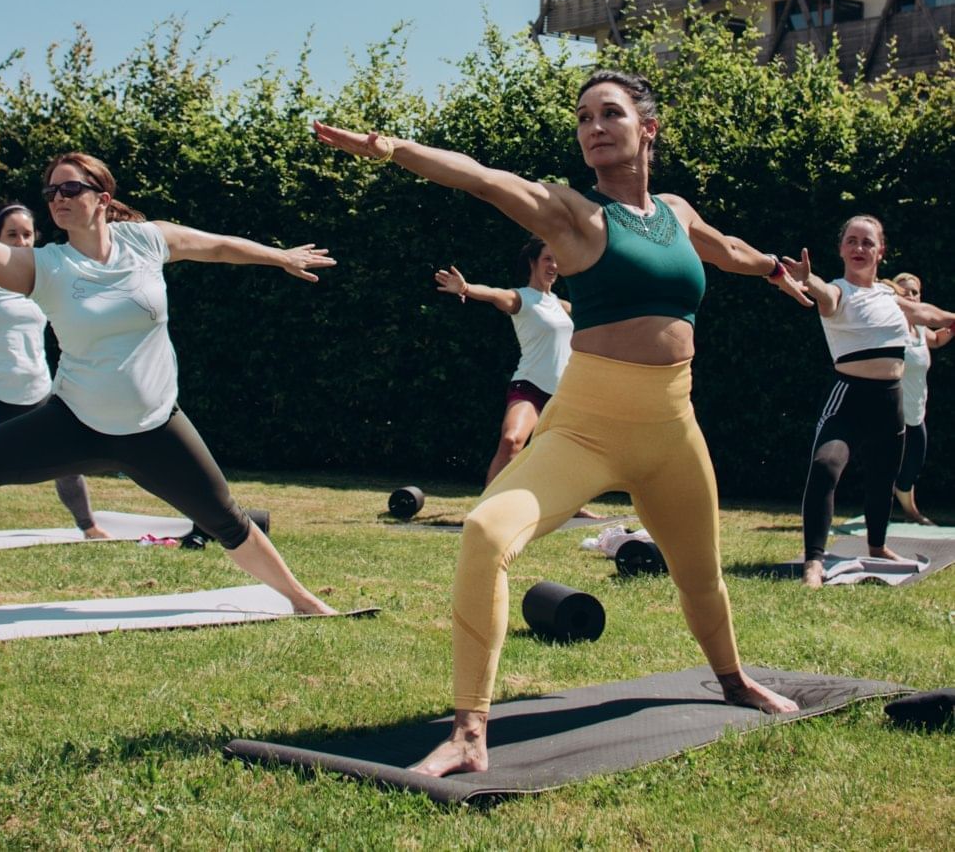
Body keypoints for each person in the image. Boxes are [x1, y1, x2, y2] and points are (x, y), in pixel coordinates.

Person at [315, 68, 811, 778]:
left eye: (609, 113)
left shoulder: (673, 210)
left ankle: (734, 680)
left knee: (701, 577)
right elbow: (484, 179)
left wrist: (771, 269)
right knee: (486, 533)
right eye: (583, 117)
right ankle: (469, 728)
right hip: (586, 427)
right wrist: (394, 148)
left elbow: (721, 247)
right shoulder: (574, 216)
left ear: (649, 128)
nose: (593, 127)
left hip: (672, 430)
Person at [0, 153, 337, 614]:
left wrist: (279, 257)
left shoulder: (146, 241)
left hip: (155, 427)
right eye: (50, 192)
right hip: (74, 422)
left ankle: (302, 600)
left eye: (70, 189)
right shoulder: (44, 266)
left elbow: (218, 246)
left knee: (226, 519)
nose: (58, 199)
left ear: (102, 198)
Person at [782, 218, 955, 588]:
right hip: (849, 399)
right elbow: (824, 297)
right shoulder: (838, 291)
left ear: (880, 251)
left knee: (882, 479)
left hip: (889, 402)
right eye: (852, 241)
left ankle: (877, 547)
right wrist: (808, 280)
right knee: (825, 466)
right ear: (842, 248)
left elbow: (928, 315)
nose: (859, 248)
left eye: (867, 243)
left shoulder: (891, 299)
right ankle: (814, 560)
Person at [435, 241, 599, 520]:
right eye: (548, 259)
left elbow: (599, 317)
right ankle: (485, 508)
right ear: (532, 263)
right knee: (512, 440)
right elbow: (495, 294)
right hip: (530, 386)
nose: (554, 266)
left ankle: (573, 506)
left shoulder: (562, 305)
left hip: (564, 393)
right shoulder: (521, 298)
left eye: (557, 260)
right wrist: (465, 288)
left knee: (570, 453)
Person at [0, 204, 105, 536]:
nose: (20, 241)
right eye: (11, 234)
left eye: (27, 234)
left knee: (68, 463)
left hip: (37, 389)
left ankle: (89, 527)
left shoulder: (45, 277)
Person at [891, 271, 954, 526]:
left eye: (915, 291)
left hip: (916, 411)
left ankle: (908, 509)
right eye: (905, 291)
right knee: (887, 466)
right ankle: (909, 513)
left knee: (913, 464)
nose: (911, 295)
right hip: (891, 413)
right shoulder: (890, 327)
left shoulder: (918, 327)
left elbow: (937, 340)